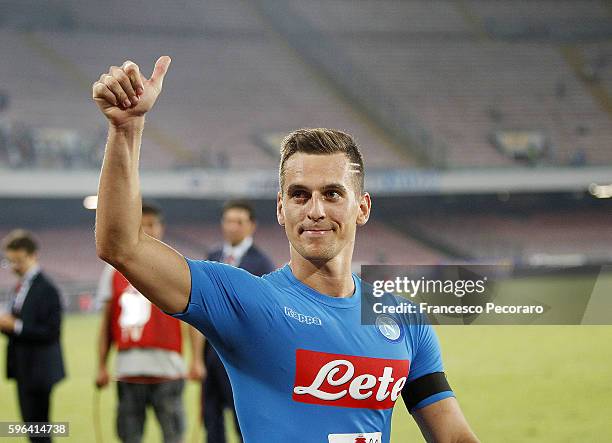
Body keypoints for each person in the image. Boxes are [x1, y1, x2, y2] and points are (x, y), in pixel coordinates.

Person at [92, 57, 479, 442]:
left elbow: (453, 436)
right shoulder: (246, 302)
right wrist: (126, 130)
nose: (315, 210)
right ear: (281, 208)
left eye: (332, 194)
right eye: (299, 195)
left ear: (362, 207)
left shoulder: (405, 321)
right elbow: (122, 246)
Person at [94, 202, 204, 443]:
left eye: (152, 224)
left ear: (161, 227)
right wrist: (101, 365)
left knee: (174, 436)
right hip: (128, 370)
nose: (148, 230)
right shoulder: (113, 270)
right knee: (129, 436)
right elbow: (106, 324)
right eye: (141, 225)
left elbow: (194, 320)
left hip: (168, 369)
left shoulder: (179, 266)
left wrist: (196, 360)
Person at [201, 199, 275, 442]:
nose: (232, 227)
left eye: (239, 222)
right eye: (228, 221)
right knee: (210, 420)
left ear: (251, 225)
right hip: (211, 354)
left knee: (242, 423)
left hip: (243, 355)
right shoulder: (212, 256)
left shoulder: (261, 263)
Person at [0, 230, 65, 443]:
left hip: (39, 370)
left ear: (33, 255)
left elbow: (51, 331)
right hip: (23, 368)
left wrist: (16, 326)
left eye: (18, 261)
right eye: (10, 261)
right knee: (32, 428)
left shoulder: (47, 288)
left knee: (38, 429)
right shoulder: (19, 288)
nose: (14, 266)